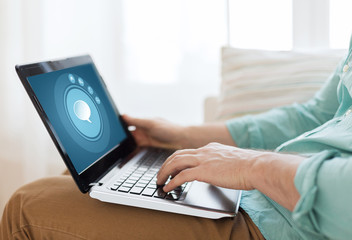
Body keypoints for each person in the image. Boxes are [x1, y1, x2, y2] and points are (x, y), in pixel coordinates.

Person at [2, 38, 352, 240]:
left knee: (28, 205)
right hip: (273, 194)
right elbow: (315, 116)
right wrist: (182, 135)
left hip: (296, 225)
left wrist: (252, 165)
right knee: (94, 179)